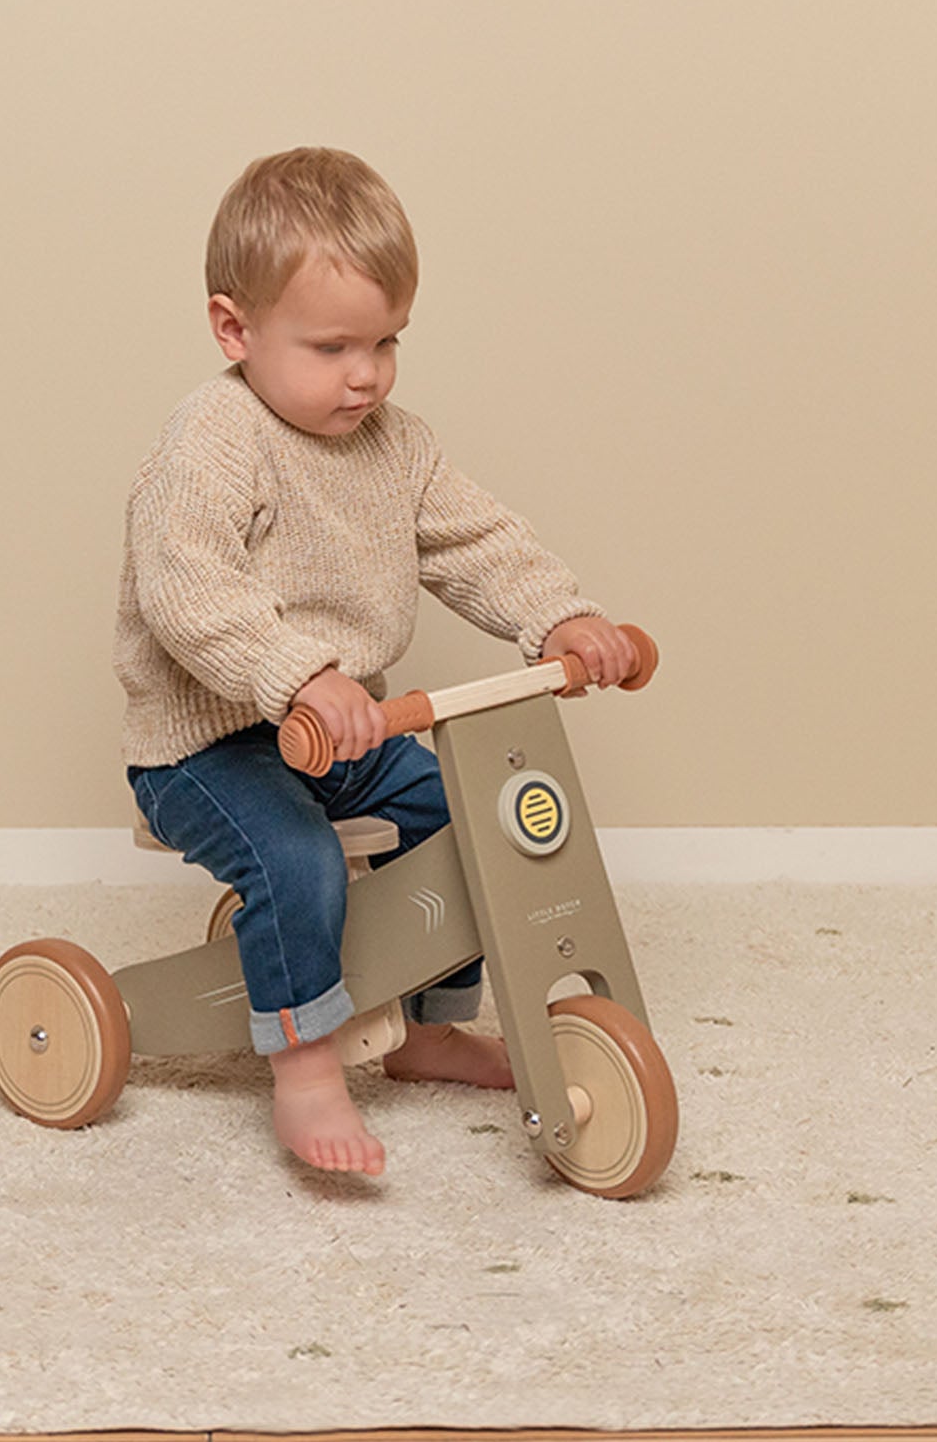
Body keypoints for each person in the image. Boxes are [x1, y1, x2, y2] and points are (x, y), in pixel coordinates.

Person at [113, 147, 639, 1176]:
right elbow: (190, 595)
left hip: (340, 730)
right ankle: (306, 1069)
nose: (365, 374)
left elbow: (476, 542)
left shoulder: (395, 446)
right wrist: (300, 674)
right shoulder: (212, 443)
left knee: (471, 818)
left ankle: (431, 1027)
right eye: (332, 346)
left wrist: (561, 619)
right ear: (235, 329)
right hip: (207, 749)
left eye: (387, 342)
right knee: (299, 860)